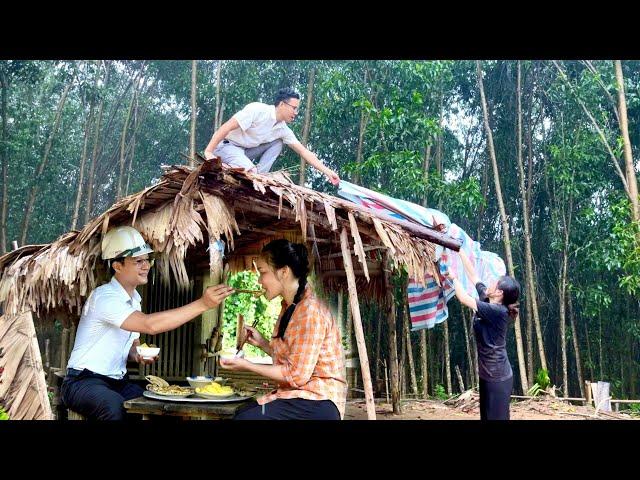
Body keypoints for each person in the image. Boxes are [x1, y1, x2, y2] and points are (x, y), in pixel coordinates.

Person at [61, 226, 234, 420]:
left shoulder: (134, 299)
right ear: (117, 266)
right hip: (83, 382)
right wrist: (203, 304)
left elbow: (132, 347)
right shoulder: (104, 297)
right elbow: (149, 325)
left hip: (118, 382)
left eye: (147, 260)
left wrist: (138, 355)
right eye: (138, 261)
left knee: (162, 404)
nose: (146, 266)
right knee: (115, 409)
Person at [219, 239, 347, 420]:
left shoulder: (309, 311)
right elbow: (297, 358)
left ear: (284, 272)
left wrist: (247, 365)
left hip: (318, 402)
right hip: (300, 398)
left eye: (263, 272)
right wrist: (263, 343)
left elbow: (295, 375)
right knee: (242, 412)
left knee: (245, 419)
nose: (259, 280)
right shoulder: (290, 307)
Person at [203, 87, 340, 186]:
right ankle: (250, 171)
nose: (296, 112)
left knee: (278, 143)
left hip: (245, 152)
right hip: (226, 147)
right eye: (294, 108)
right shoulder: (257, 110)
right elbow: (226, 127)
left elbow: (304, 152)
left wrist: (327, 172)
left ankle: (259, 175)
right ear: (281, 104)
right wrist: (209, 151)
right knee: (249, 169)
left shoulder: (282, 129)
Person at [444, 249, 520, 420]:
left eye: (495, 282)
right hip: (487, 374)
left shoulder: (497, 311)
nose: (491, 282)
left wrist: (454, 277)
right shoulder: (487, 299)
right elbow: (474, 276)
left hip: (498, 377)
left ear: (500, 292)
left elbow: (463, 298)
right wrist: (459, 250)